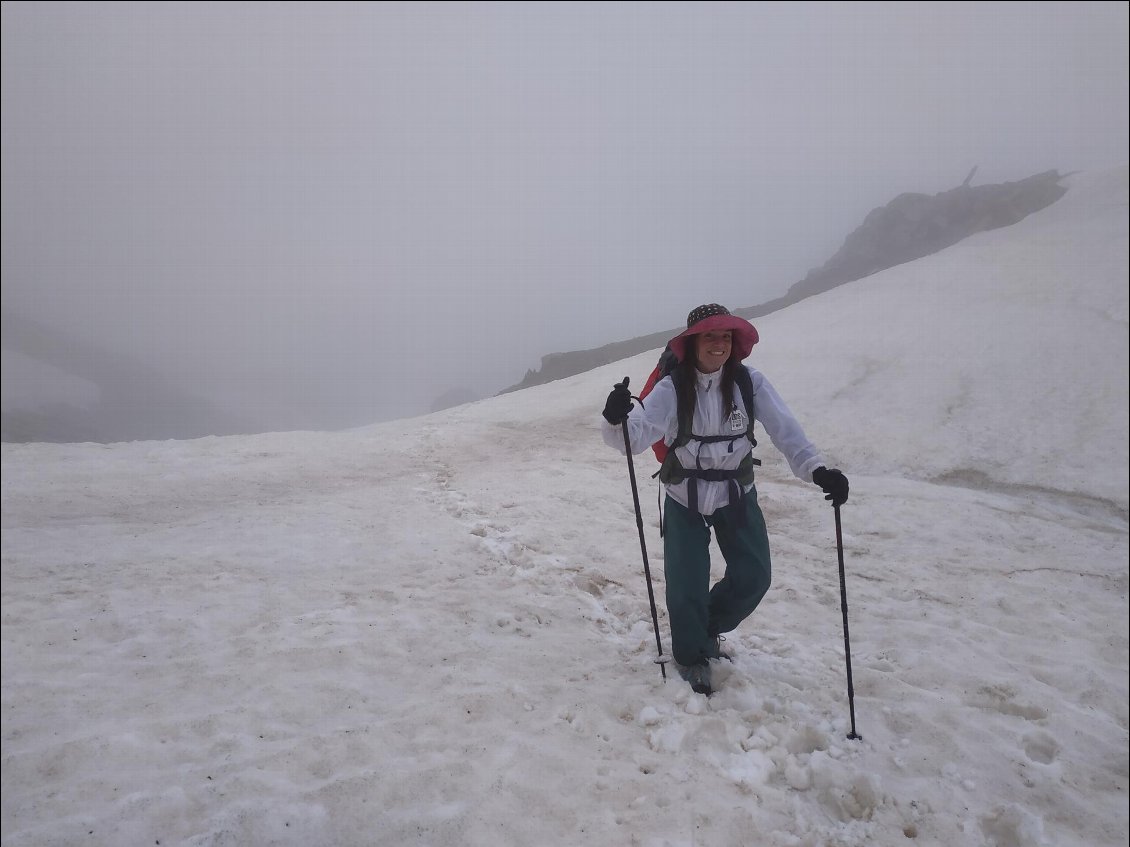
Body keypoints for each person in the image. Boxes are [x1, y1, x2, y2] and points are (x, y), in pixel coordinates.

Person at [600, 304, 848, 695]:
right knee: (686, 586)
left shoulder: (750, 384)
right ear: (693, 343)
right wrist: (615, 418)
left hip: (737, 494)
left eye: (726, 337)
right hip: (684, 496)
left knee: (755, 577)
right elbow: (632, 437)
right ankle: (691, 654)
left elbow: (787, 431)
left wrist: (818, 470)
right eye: (710, 336)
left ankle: (705, 630)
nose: (719, 344)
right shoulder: (672, 388)